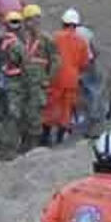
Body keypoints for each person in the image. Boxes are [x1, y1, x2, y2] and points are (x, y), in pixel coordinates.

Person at [42, 8, 92, 145]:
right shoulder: (81, 41)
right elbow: (85, 64)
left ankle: (45, 138)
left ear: (63, 22)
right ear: (76, 25)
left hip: (55, 77)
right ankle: (60, 140)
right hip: (72, 80)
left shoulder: (55, 37)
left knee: (51, 107)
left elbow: (46, 57)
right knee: (66, 109)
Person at [0, 11, 27, 159]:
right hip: (12, 84)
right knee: (11, 117)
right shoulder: (18, 44)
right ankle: (8, 151)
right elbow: (25, 64)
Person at [21, 4, 58, 149]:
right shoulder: (21, 39)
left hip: (38, 84)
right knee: (23, 115)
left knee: (36, 116)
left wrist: (48, 79)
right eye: (29, 20)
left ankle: (35, 148)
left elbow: (56, 61)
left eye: (35, 19)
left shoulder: (46, 40)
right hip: (23, 83)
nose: (32, 23)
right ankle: (25, 145)